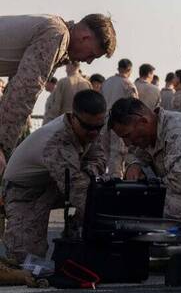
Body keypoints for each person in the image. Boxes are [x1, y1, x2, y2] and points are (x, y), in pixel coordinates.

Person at [0, 14, 116, 176]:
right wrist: (2, 145)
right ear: (85, 37)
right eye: (92, 54)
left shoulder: (54, 30)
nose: (89, 61)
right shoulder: (57, 35)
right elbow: (24, 91)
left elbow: (14, 87)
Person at [2, 90, 107, 261]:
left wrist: (89, 171)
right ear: (74, 118)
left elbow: (99, 158)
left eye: (99, 127)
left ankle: (75, 238)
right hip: (25, 192)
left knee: (95, 193)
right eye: (88, 127)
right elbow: (77, 191)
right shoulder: (56, 142)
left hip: (55, 183)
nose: (94, 133)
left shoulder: (89, 126)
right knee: (26, 259)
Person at [101, 59, 138, 177]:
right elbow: (134, 106)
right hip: (120, 123)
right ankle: (116, 179)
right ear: (129, 69)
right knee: (117, 153)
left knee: (104, 153)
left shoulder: (106, 82)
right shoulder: (128, 84)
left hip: (104, 121)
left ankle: (104, 178)